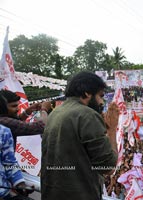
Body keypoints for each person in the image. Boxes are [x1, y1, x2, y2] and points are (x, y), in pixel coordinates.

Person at [41, 71, 119, 200]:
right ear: (87, 93)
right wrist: (112, 130)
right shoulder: (87, 115)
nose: (101, 102)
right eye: (100, 96)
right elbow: (108, 167)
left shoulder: (56, 112)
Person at [0, 95, 33, 200]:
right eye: (13, 106)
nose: (17, 109)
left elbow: (9, 162)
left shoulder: (3, 132)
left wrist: (20, 184)